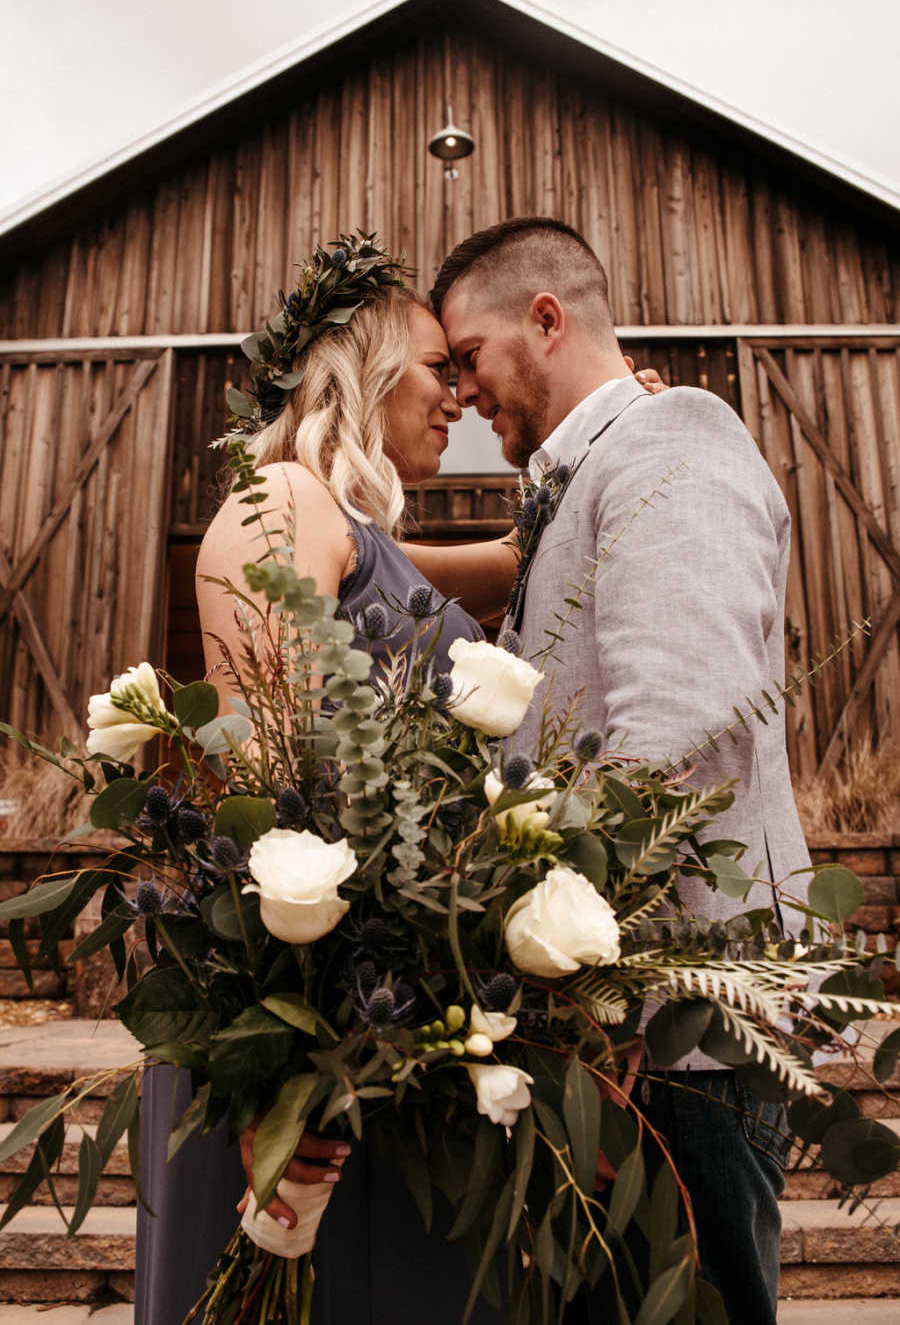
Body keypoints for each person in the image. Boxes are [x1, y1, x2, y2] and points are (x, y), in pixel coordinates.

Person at [136, 255, 662, 1323]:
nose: (460, 397)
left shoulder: (354, 531)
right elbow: (269, 787)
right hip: (316, 1025)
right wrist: (278, 1074)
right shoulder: (276, 500)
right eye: (438, 366)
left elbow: (517, 557)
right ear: (365, 373)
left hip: (391, 1019)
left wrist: (618, 424)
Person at [431, 216, 811, 1325]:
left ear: (546, 321)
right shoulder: (580, 479)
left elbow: (682, 736)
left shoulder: (673, 438)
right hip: (613, 1039)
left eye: (468, 358)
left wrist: (585, 1012)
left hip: (668, 1040)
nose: (461, 394)